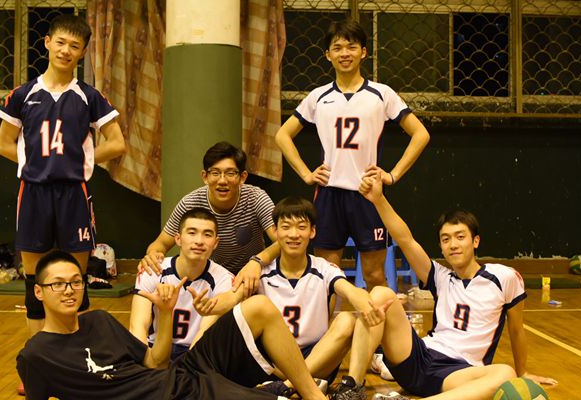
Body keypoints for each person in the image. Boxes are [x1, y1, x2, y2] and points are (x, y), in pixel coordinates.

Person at [17, 250, 328, 400]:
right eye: (58, 284)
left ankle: (314, 396)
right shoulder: (36, 355)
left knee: (258, 306)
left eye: (75, 282)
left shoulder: (99, 320)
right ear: (39, 292)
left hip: (178, 378)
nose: (69, 290)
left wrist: (164, 314)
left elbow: (155, 363)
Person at [355, 171, 557, 399]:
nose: (453, 245)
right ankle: (352, 386)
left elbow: (517, 329)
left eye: (460, 237)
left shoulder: (504, 277)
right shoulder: (440, 277)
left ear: (475, 241)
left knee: (505, 374)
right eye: (446, 239)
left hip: (459, 373)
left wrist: (523, 372)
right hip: (418, 358)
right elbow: (405, 240)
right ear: (441, 248)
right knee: (380, 294)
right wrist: (379, 200)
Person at [0, 14, 125, 340]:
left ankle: (76, 355)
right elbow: (4, 144)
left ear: (83, 52)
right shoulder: (22, 94)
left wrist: (83, 161)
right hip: (33, 192)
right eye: (61, 42)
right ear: (47, 43)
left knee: (75, 279)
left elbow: (117, 143)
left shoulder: (88, 96)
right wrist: (36, 164)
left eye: (75, 46)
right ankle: (36, 356)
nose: (66, 50)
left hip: (73, 193)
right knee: (34, 280)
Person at [275, 19, 430, 290]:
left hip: (368, 194)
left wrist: (392, 175)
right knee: (326, 276)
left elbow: (421, 134)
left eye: (351, 47)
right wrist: (306, 173)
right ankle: (327, 320)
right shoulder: (318, 96)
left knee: (374, 275)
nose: (344, 53)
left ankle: (377, 320)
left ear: (364, 52)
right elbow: (282, 135)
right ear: (328, 54)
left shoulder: (381, 94)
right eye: (337, 48)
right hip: (329, 194)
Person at [191, 196, 392, 398]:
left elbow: (348, 289)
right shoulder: (260, 272)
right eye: (286, 227)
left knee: (347, 320)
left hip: (318, 356)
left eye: (301, 227)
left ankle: (288, 386)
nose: (294, 234)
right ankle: (305, 384)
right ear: (275, 232)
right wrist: (212, 306)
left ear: (312, 231)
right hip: (274, 360)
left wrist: (362, 299)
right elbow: (232, 298)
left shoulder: (324, 268)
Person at [140, 141, 277, 297]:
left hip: (251, 275)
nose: (222, 180)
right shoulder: (190, 203)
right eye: (215, 173)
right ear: (205, 177)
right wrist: (152, 255)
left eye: (230, 173)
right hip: (210, 278)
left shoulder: (257, 198)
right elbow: (161, 244)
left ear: (242, 177)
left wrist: (257, 262)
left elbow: (282, 240)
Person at [130, 207, 234, 360]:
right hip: (155, 347)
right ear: (178, 239)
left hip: (196, 352)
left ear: (215, 242)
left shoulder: (223, 279)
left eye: (207, 235)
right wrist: (146, 363)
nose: (199, 241)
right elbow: (138, 327)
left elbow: (204, 333)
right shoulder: (153, 269)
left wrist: (185, 368)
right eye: (192, 233)